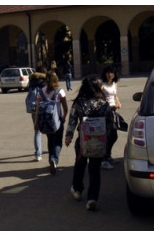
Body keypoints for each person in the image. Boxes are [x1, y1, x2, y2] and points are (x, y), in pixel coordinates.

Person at [65, 75, 114, 211]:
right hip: (99, 141)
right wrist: (106, 138)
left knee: (80, 165)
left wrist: (68, 136)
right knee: (94, 169)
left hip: (83, 141)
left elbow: (72, 121)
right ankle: (92, 198)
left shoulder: (79, 103)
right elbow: (110, 123)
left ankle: (77, 190)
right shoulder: (104, 104)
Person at [34, 71, 68, 175]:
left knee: (50, 141)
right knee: (58, 142)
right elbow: (65, 107)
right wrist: (64, 117)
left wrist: (36, 123)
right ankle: (54, 159)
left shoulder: (41, 91)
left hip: (45, 122)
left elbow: (38, 109)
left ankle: (51, 159)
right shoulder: (60, 91)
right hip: (57, 121)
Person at [100, 65, 121, 170]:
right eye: (108, 72)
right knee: (107, 135)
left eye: (112, 72)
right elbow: (100, 99)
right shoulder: (102, 85)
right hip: (105, 112)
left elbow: (115, 95)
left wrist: (118, 102)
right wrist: (109, 106)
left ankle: (108, 155)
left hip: (113, 111)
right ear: (105, 73)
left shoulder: (114, 84)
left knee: (113, 135)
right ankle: (103, 159)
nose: (110, 74)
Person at [28, 72, 46, 161]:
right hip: (44, 109)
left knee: (37, 131)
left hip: (34, 109)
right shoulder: (44, 84)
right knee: (50, 129)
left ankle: (38, 154)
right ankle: (53, 150)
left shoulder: (31, 85)